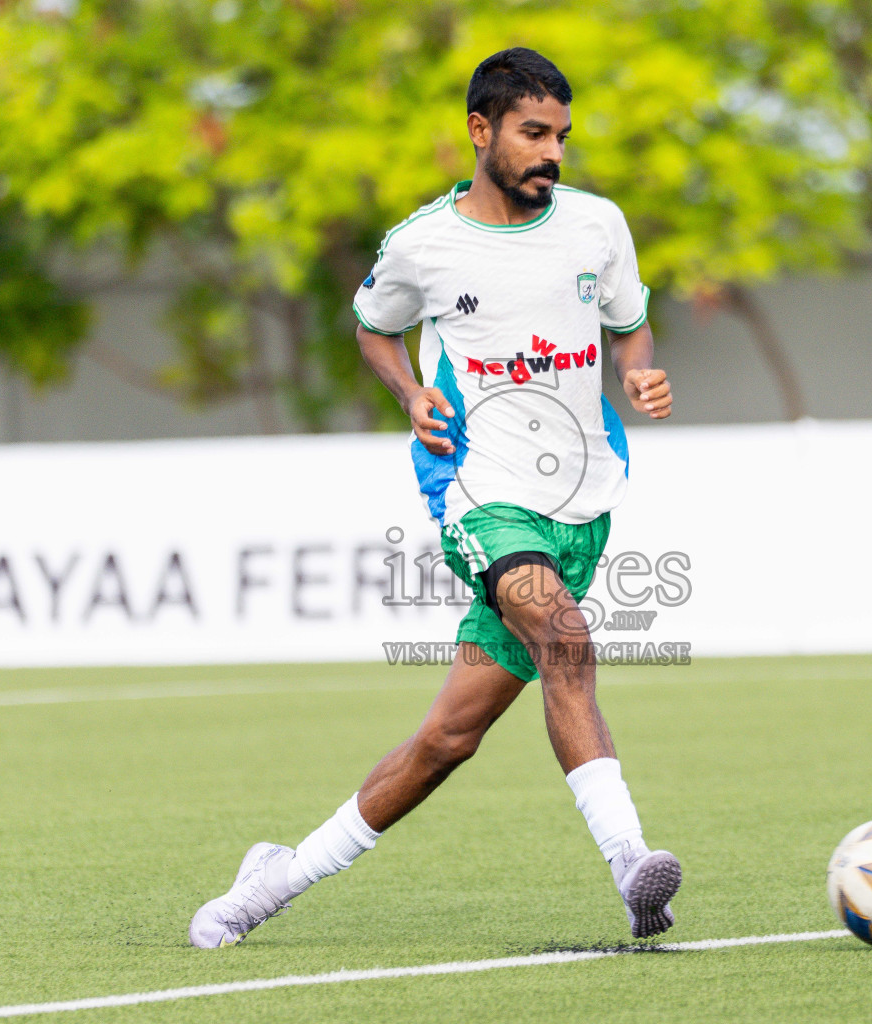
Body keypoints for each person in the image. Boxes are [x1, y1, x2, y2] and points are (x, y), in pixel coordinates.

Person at [190, 46, 679, 948]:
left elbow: (629, 327)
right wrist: (411, 395)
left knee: (446, 742)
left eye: (563, 136)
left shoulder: (599, 226)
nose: (553, 153)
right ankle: (630, 862)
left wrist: (641, 375)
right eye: (535, 134)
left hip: (582, 500)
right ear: (481, 131)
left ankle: (266, 885)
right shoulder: (423, 244)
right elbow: (375, 330)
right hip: (477, 492)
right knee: (566, 639)